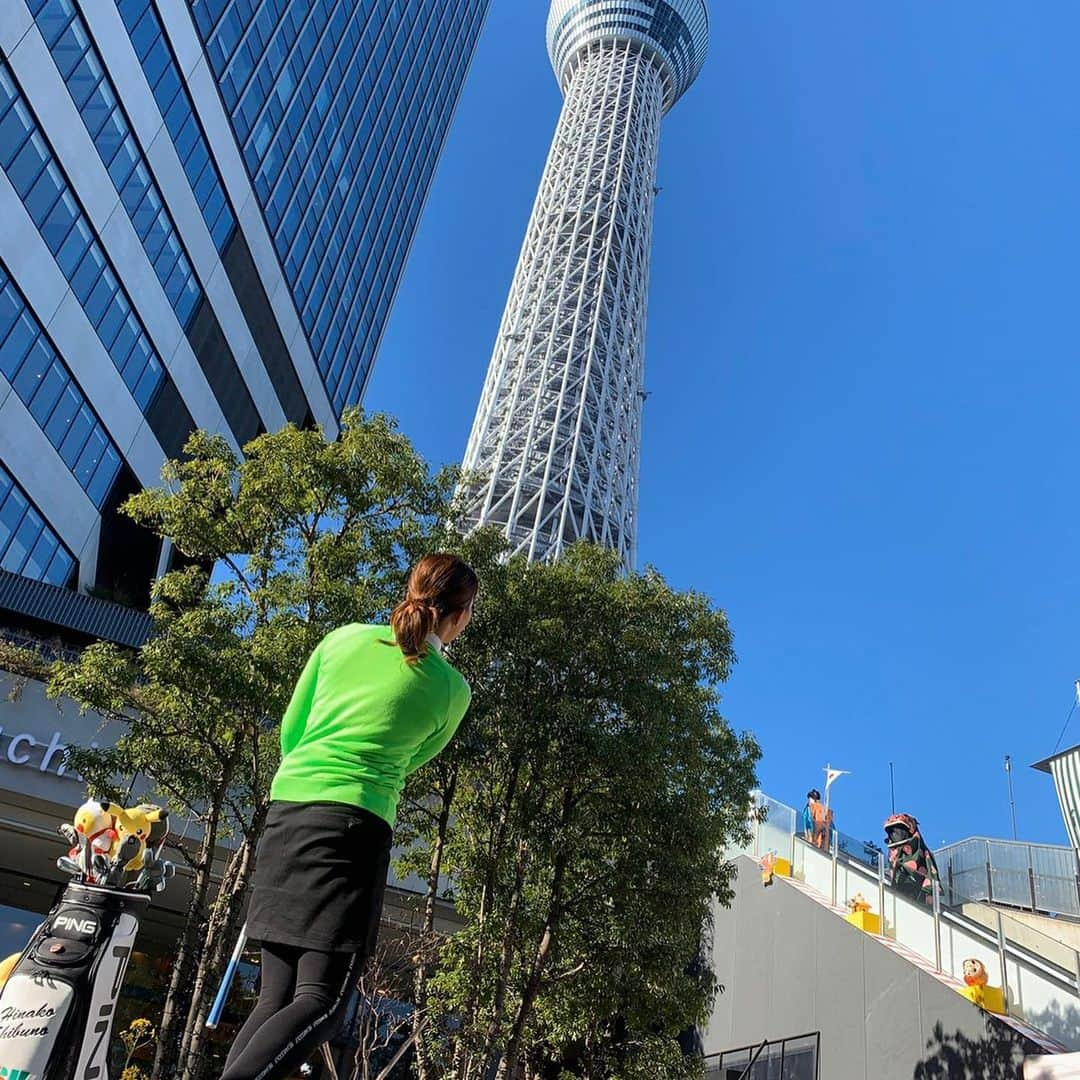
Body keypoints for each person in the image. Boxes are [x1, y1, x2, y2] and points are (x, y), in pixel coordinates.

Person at [219, 554, 478, 1080]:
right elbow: (412, 758)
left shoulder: (341, 640)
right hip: (352, 828)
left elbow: (293, 730)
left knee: (277, 996)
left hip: (288, 814)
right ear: (460, 616)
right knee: (322, 1001)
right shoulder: (450, 689)